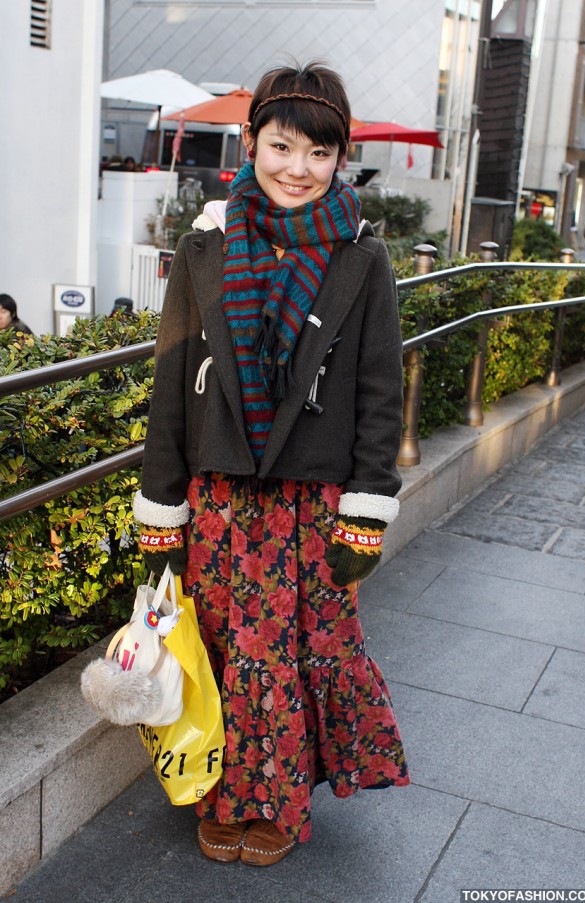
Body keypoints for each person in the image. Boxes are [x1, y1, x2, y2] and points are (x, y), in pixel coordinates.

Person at [133, 61, 409, 868]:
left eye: (319, 154)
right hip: (220, 494)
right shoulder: (204, 249)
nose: (298, 168)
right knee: (226, 651)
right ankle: (227, 796)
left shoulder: (364, 259)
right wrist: (162, 512)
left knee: (293, 656)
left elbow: (379, 393)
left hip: (314, 502)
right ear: (251, 141)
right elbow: (171, 390)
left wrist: (365, 512)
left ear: (339, 157)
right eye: (282, 146)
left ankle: (276, 801)